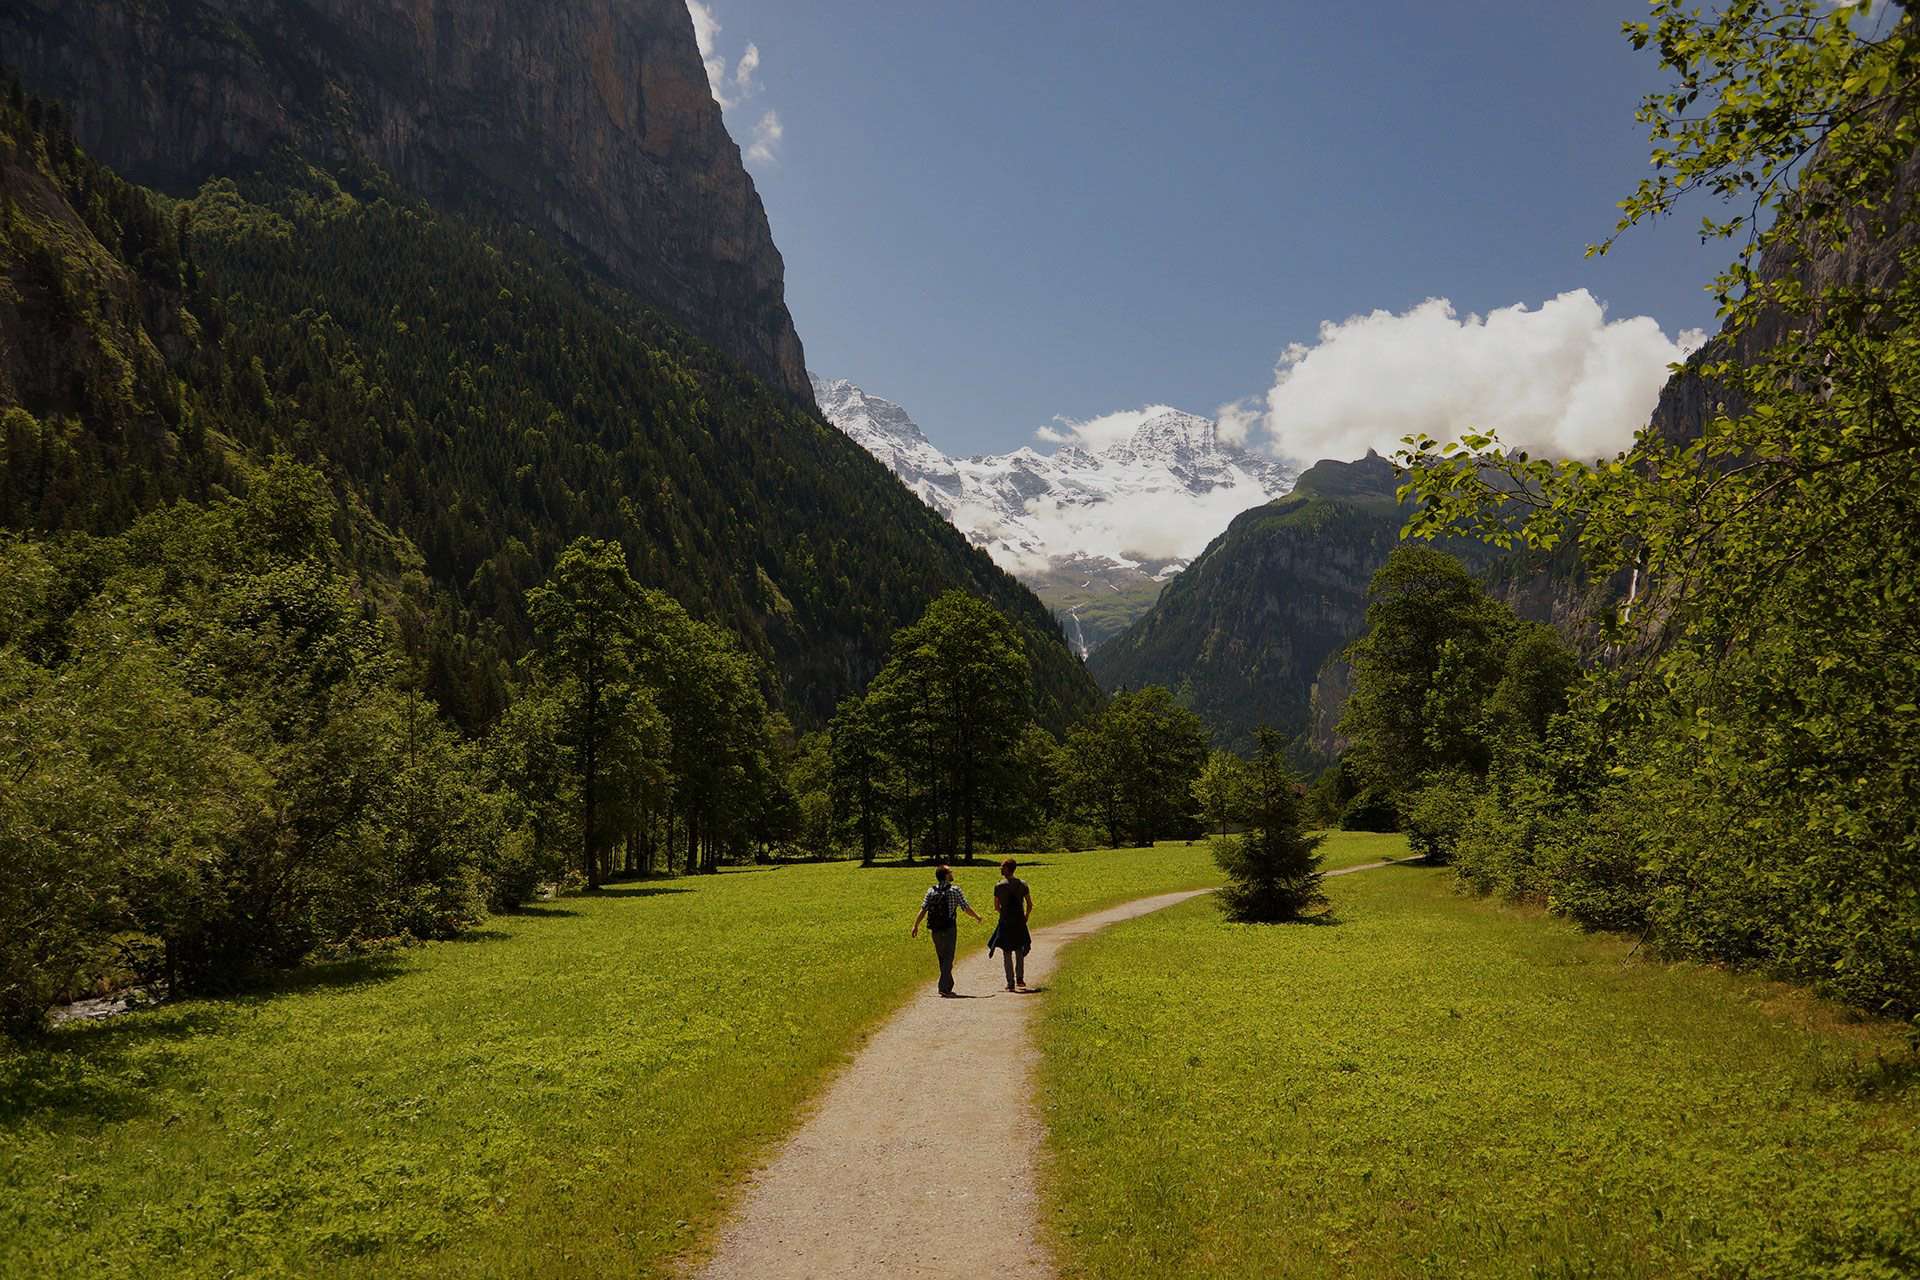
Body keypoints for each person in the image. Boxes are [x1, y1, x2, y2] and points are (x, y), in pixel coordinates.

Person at [910, 864, 982, 996]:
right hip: (949, 928)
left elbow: (923, 909)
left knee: (942, 958)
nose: (952, 873)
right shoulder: (955, 890)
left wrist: (915, 925)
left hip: (935, 928)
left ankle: (948, 985)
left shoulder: (931, 891)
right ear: (946, 876)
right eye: (950, 872)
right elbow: (965, 907)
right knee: (949, 957)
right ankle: (943, 988)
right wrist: (976, 916)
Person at [987, 858, 1034, 991]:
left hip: (1005, 922)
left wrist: (1004, 913)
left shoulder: (999, 886)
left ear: (1007, 869)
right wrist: (1026, 916)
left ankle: (1010, 982)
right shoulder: (1023, 884)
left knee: (1006, 952)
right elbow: (1030, 904)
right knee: (1019, 949)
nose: (1000, 869)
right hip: (1019, 921)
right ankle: (1020, 978)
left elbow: (996, 906)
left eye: (1002, 867)